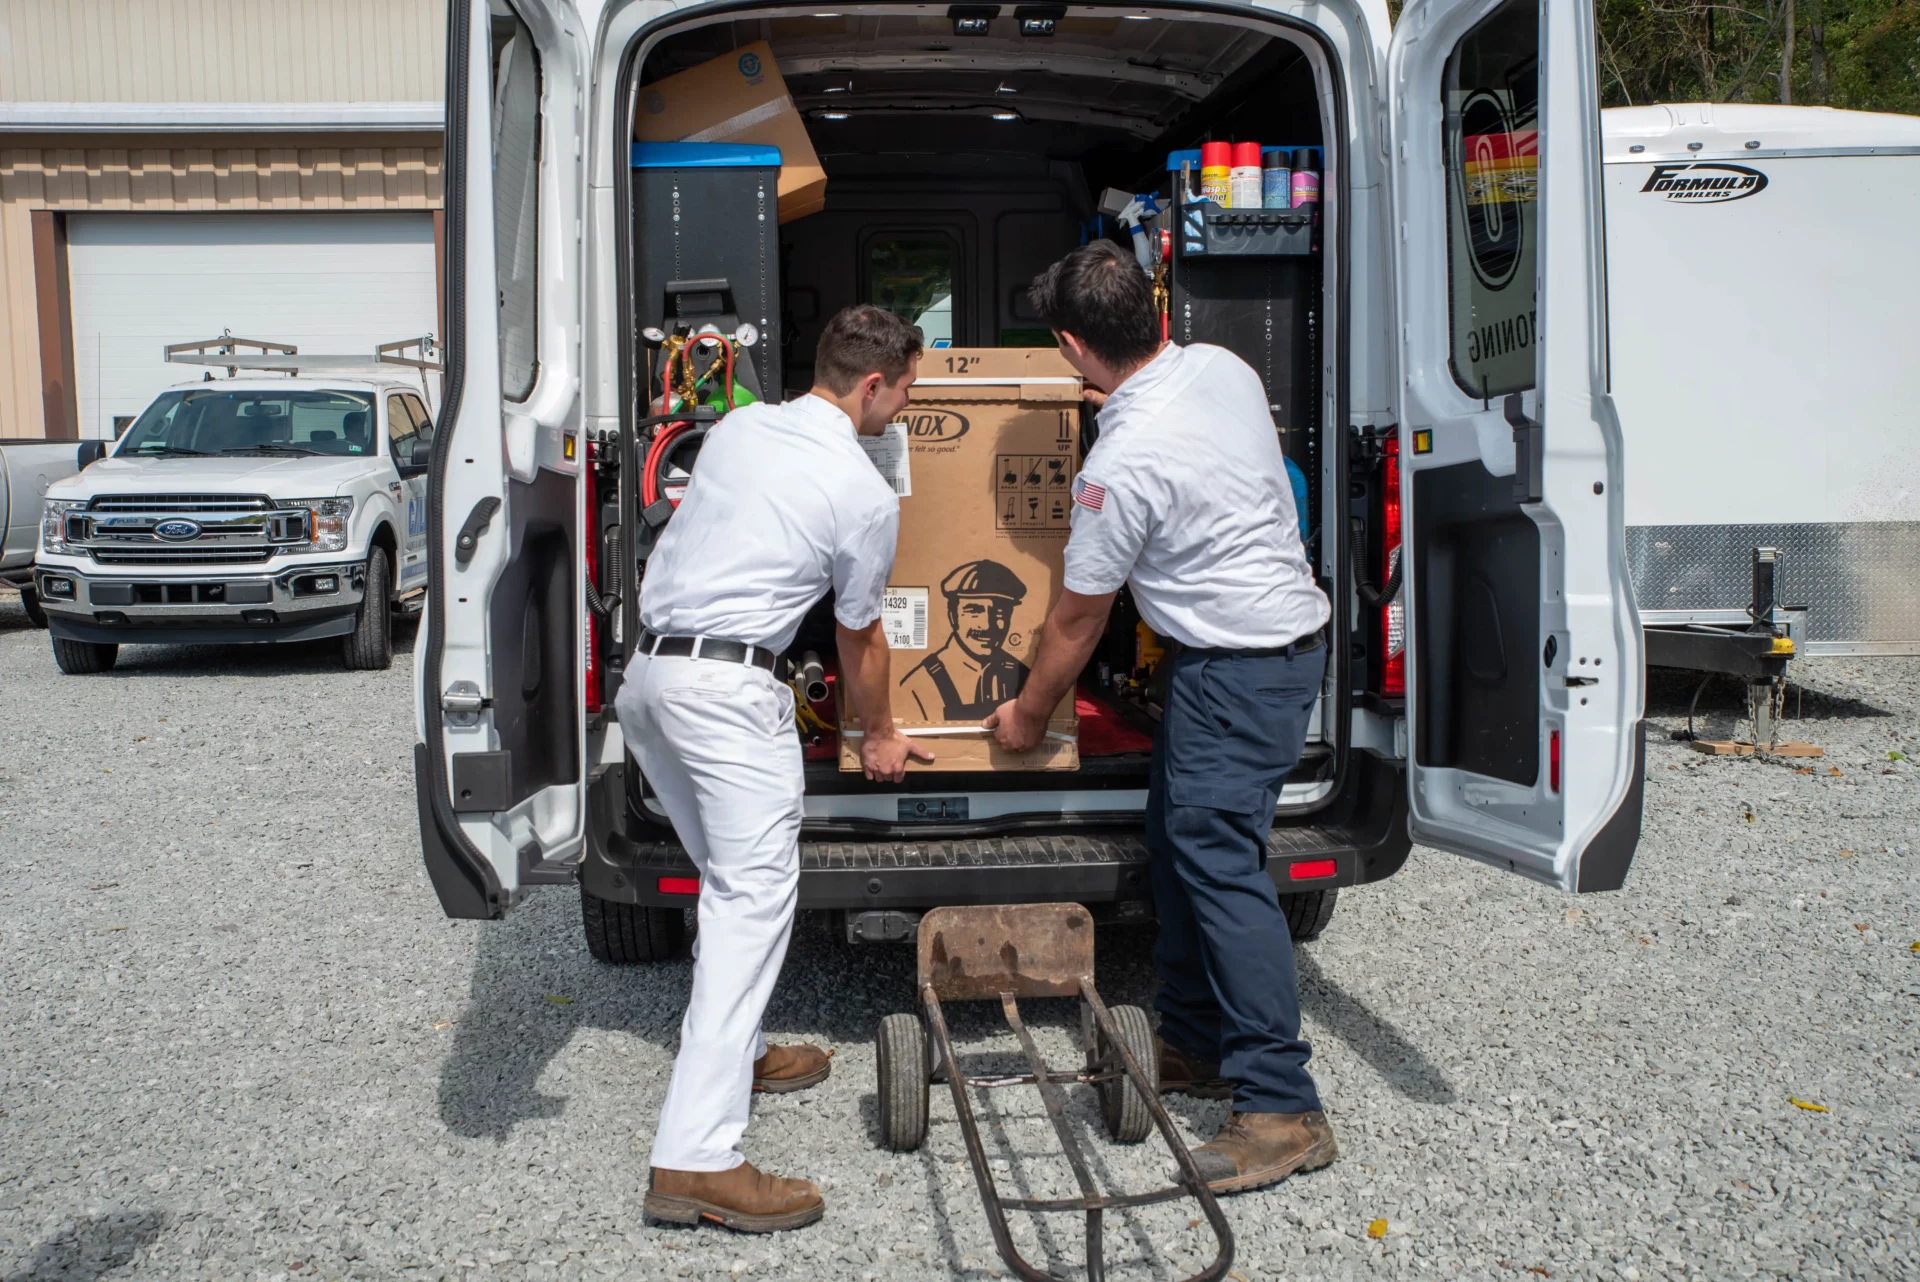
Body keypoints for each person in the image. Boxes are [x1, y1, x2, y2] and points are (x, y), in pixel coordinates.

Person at [984, 240, 1336, 1193]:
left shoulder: (1118, 465)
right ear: (1153, 313)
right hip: (1263, 651)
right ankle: (1193, 1043)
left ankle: (1280, 1106)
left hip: (1242, 665)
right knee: (1178, 842)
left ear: (1070, 344)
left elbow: (1077, 616)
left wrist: (1026, 712)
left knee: (1218, 862)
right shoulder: (1222, 368)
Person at [616, 304, 934, 1232]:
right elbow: (859, 632)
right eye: (904, 390)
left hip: (652, 680)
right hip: (727, 696)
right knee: (756, 895)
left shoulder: (742, 428)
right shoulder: (864, 492)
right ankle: (696, 1159)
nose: (903, 410)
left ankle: (742, 1051)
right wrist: (878, 734)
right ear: (872, 384)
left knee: (725, 879)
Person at [899, 559, 1032, 719]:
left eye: (999, 612)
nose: (987, 626)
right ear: (953, 617)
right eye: (974, 611)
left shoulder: (1024, 677)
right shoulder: (919, 686)